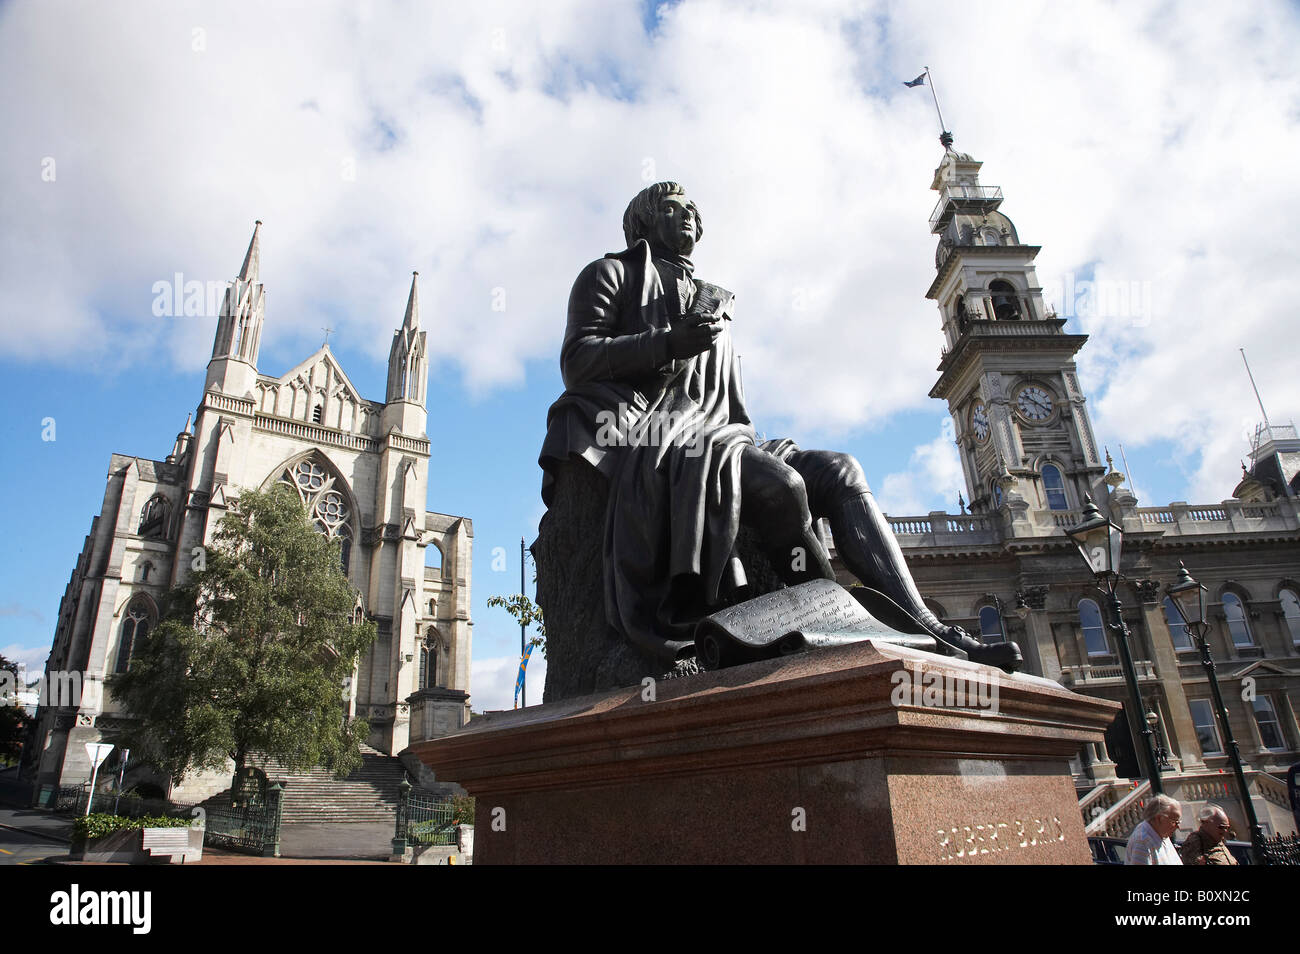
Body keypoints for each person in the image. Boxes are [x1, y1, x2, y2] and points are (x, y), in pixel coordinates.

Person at [539, 181, 1020, 671]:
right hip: (659, 437)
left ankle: (929, 627)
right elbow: (577, 361)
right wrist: (666, 343)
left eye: (692, 210)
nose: (687, 216)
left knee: (841, 470)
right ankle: (835, 625)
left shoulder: (713, 300)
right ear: (643, 220)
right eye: (672, 207)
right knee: (784, 485)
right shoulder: (609, 274)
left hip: (725, 436)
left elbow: (726, 406)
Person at [1125, 794, 1184, 865]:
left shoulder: (1162, 834)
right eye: (1174, 822)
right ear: (1159, 818)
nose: (1178, 827)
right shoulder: (1143, 841)